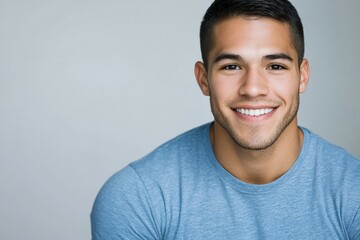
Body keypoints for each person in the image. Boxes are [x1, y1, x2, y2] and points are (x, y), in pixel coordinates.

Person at [91, 0, 360, 239]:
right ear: (203, 79)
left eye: (275, 66)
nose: (253, 88)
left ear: (302, 76)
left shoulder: (353, 192)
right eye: (232, 66)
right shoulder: (137, 198)